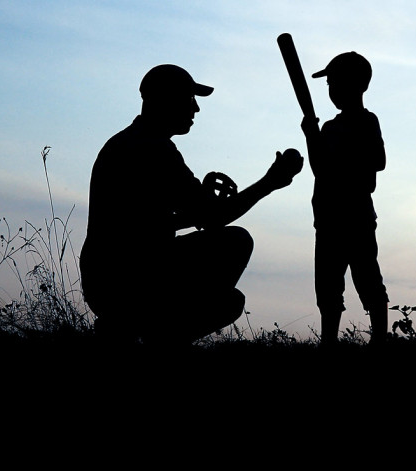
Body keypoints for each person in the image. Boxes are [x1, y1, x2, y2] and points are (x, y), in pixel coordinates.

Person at [80, 63, 303, 345]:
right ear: (166, 100)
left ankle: (126, 329)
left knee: (228, 300)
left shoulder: (127, 143)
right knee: (236, 250)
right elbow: (215, 217)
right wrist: (270, 182)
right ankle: (163, 337)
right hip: (132, 281)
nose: (196, 108)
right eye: (189, 99)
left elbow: (144, 224)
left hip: (105, 282)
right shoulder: (155, 150)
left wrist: (195, 209)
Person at [301, 51, 389, 345]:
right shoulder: (328, 127)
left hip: (357, 215)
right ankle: (329, 341)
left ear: (360, 85)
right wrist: (311, 136)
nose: (334, 91)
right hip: (326, 218)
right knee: (327, 285)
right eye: (331, 85)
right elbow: (319, 170)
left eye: (338, 83)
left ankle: (379, 339)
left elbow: (378, 160)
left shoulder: (367, 121)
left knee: (367, 279)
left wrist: (340, 157)